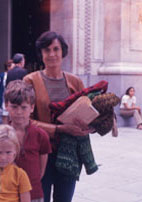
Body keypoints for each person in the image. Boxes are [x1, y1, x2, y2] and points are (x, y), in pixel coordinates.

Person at [23, 31, 91, 202]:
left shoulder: (75, 81)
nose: (52, 54)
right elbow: (24, 120)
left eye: (56, 49)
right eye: (47, 50)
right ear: (41, 54)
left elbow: (86, 110)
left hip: (69, 152)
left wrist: (90, 125)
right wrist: (59, 129)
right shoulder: (30, 81)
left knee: (64, 198)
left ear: (63, 52)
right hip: (41, 152)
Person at [5, 80, 51, 202]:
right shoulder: (1, 134)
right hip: (6, 193)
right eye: (14, 107)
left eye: (24, 107)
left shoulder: (41, 135)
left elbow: (41, 171)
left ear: (32, 108)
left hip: (33, 193)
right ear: (6, 106)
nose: (19, 112)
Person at [0, 59, 15, 124]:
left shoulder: (14, 74)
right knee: (5, 115)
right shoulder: (1, 75)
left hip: (12, 97)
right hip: (3, 97)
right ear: (8, 67)